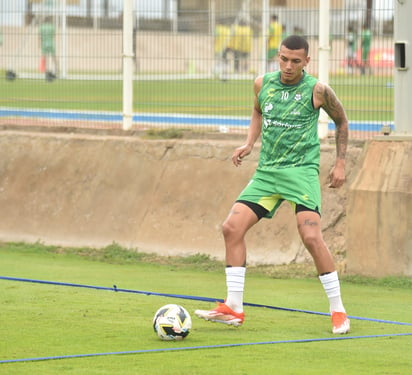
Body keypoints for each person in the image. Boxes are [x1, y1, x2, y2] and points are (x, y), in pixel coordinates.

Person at [195, 35, 350, 335]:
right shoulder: (261, 84)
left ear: (307, 62)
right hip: (267, 173)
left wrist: (340, 163)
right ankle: (234, 308)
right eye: (283, 59)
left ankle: (338, 310)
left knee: (310, 236)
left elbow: (342, 121)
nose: (288, 66)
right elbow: (257, 110)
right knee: (231, 228)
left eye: (295, 61)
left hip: (301, 172)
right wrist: (249, 142)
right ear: (277, 57)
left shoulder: (317, 90)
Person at [39, 16, 58, 81]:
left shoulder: (41, 27)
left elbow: (40, 36)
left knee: (45, 58)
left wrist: (40, 44)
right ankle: (56, 70)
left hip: (44, 43)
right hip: (50, 43)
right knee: (54, 57)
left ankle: (46, 71)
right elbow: (54, 35)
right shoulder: (52, 26)